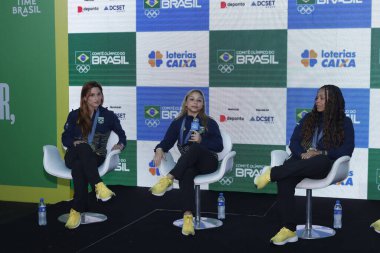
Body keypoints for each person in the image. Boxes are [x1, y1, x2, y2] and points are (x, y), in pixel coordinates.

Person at [254, 84, 354, 245]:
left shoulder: (344, 122)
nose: (317, 101)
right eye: (317, 98)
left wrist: (320, 153)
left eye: (322, 98)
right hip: (300, 161)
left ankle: (272, 173)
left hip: (321, 165)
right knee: (285, 179)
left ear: (333, 101)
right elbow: (293, 142)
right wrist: (302, 154)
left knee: (319, 161)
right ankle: (289, 229)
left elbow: (347, 150)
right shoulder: (308, 118)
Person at [150, 89, 223, 236]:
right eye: (192, 99)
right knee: (186, 173)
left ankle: (168, 179)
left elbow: (219, 145)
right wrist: (158, 149)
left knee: (195, 147)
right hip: (189, 164)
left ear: (202, 104)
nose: (195, 103)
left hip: (207, 162)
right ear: (186, 103)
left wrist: (203, 140)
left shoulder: (209, 122)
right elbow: (167, 142)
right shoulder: (178, 122)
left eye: (199, 100)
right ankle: (188, 217)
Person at [62, 81, 127, 229]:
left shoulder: (109, 116)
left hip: (95, 156)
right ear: (85, 98)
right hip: (73, 155)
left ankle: (76, 210)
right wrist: (74, 142)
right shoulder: (74, 115)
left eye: (99, 94)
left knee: (80, 166)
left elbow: (122, 135)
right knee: (82, 149)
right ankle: (98, 185)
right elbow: (64, 137)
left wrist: (121, 144)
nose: (96, 98)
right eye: (92, 95)